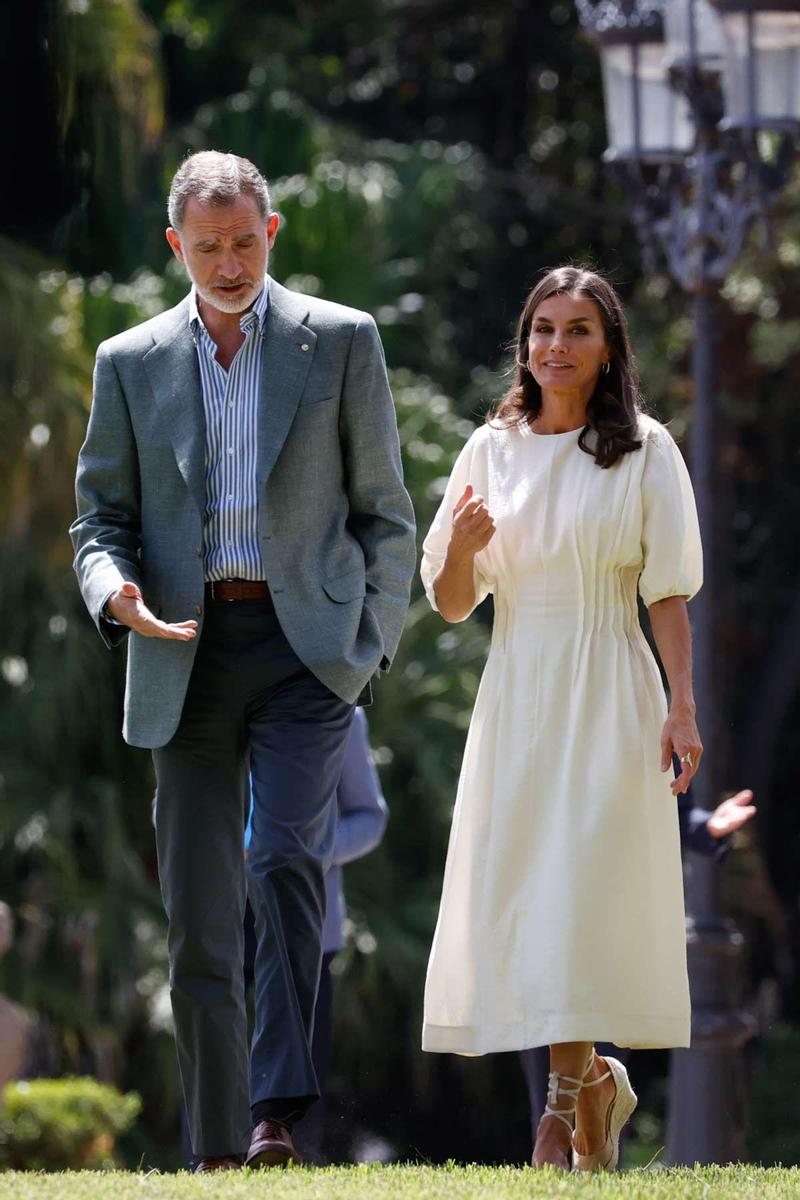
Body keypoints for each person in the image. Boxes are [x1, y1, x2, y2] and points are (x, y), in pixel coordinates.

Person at [70, 151, 415, 1173]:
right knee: (198, 918)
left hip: (306, 652)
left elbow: (386, 516)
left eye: (244, 240)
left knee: (282, 861)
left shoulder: (341, 341)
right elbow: (101, 518)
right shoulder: (129, 361)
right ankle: (220, 1152)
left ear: (273, 231)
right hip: (180, 650)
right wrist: (112, 591)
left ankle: (276, 1114)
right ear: (177, 247)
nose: (228, 262)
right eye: (207, 246)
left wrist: (370, 645)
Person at [420, 265, 703, 1171]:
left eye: (579, 329)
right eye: (543, 328)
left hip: (614, 689)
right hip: (517, 695)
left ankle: (555, 1114)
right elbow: (453, 602)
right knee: (534, 896)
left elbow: (666, 594)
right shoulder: (489, 449)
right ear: (524, 343)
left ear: (609, 345)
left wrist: (684, 708)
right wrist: (462, 552)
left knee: (578, 889)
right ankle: (595, 1094)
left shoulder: (646, 450)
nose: (557, 345)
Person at [518, 784, 757, 1153]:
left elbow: (668, 802)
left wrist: (703, 826)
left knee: (569, 1111)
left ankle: (577, 1133)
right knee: (547, 1083)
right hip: (537, 887)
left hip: (612, 893)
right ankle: (586, 1102)